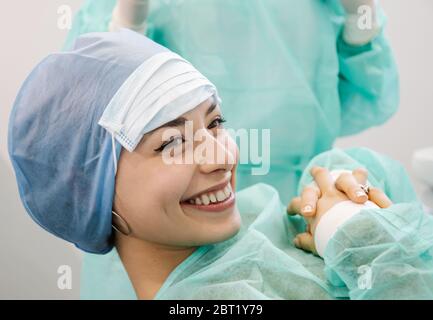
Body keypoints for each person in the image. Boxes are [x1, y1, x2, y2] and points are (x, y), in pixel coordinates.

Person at [9, 30, 433, 299]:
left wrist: (333, 188)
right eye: (173, 143)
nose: (221, 156)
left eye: (215, 123)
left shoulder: (253, 230)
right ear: (90, 192)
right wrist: (358, 238)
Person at [64, 0, 400, 204]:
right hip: (168, 213)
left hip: (294, 204)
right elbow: (93, 119)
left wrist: (360, 17)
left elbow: (365, 98)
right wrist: (128, 23)